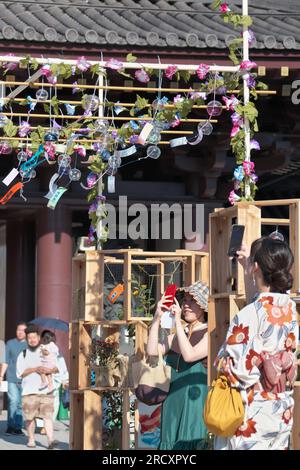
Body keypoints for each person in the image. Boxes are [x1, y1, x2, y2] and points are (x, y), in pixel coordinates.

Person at [215, 236, 299, 450]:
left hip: (253, 410)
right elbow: (263, 302)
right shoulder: (289, 309)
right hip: (281, 406)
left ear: (256, 267)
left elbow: (233, 367)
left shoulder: (247, 315)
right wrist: (248, 266)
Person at [147, 281, 209, 450]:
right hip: (172, 401)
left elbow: (190, 355)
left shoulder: (210, 333)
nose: (186, 305)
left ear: (203, 307)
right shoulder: (176, 336)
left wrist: (178, 324)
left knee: (190, 443)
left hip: (195, 403)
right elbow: (152, 350)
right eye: (185, 300)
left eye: (192, 301)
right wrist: (157, 317)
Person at [16, 324, 59, 449]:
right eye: (29, 338)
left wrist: (50, 369)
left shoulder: (47, 350)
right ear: (27, 339)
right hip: (29, 392)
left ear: (39, 337)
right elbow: (20, 373)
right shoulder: (23, 354)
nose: (32, 340)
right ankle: (31, 439)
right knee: (30, 418)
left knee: (48, 417)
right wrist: (35, 369)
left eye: (34, 337)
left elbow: (57, 368)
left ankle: (50, 440)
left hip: (46, 391)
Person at [38, 330, 69, 434]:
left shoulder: (41, 349)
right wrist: (65, 380)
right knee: (53, 404)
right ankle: (46, 425)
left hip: (45, 381)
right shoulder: (56, 351)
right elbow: (62, 367)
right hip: (53, 381)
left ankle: (45, 425)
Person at [0, 322, 27, 435]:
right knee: (13, 401)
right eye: (18, 330)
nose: (20, 332)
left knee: (21, 404)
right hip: (11, 377)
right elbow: (5, 361)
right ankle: (10, 426)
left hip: (25, 379)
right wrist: (1, 376)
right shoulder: (10, 343)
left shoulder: (29, 345)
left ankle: (18, 427)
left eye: (22, 330)